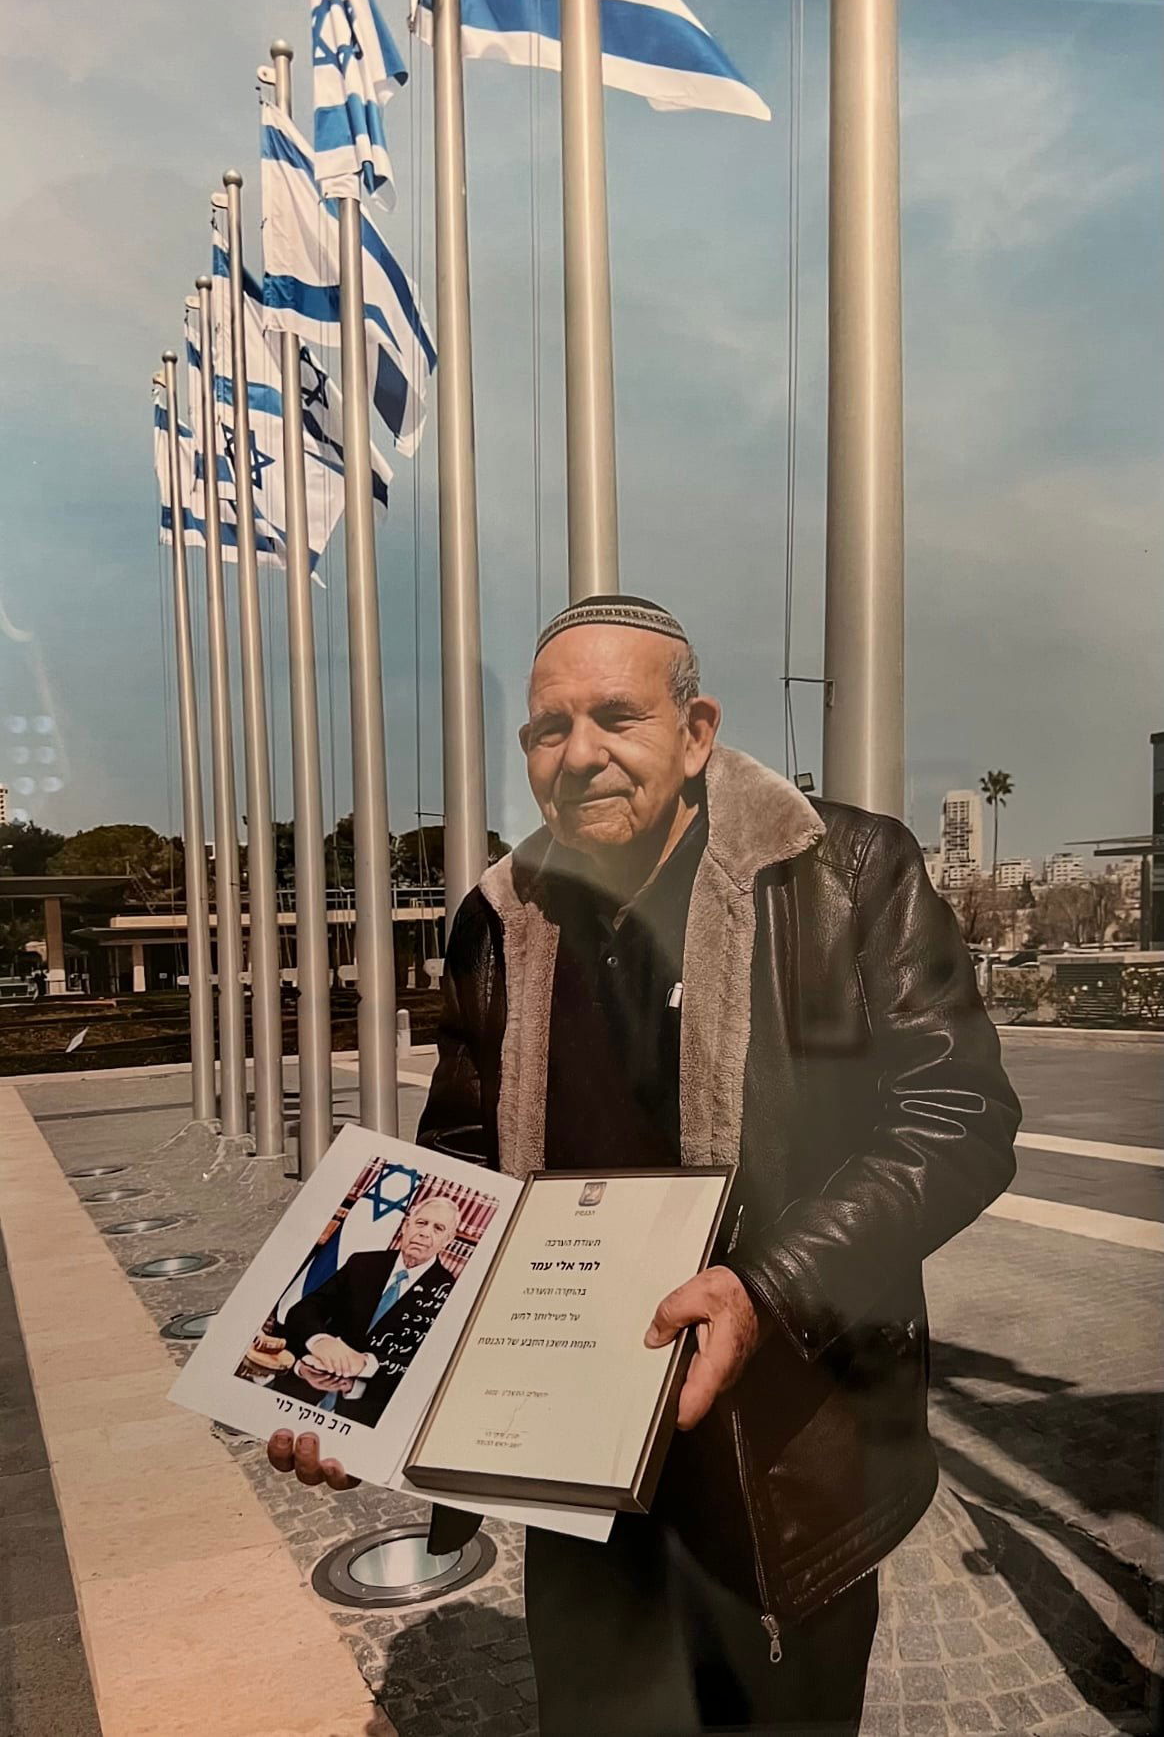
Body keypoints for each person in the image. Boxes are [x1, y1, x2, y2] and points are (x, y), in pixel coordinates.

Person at [269, 595, 1020, 1735]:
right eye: (548, 729)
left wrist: (765, 1289)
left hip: (779, 1455)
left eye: (616, 717)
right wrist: (361, 1384)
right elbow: (462, 1164)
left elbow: (958, 1115)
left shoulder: (840, 872)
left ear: (697, 731)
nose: (580, 755)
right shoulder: (498, 917)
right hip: (572, 1465)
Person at [269, 1194, 460, 1426]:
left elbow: (432, 1363)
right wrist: (320, 1341)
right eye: (421, 1223)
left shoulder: (452, 1293)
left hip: (370, 1412)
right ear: (405, 1226)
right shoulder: (363, 1263)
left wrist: (366, 1364)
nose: (425, 1233)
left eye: (438, 1228)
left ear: (448, 1240)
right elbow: (305, 1309)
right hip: (305, 1385)